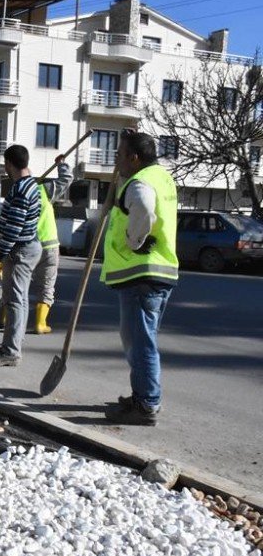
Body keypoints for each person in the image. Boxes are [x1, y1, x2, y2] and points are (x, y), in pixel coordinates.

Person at [101, 130, 179, 426]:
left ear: (134, 158)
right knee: (141, 339)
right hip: (161, 271)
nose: (116, 160)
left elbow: (143, 207)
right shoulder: (161, 176)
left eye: (120, 155)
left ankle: (145, 404)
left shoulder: (140, 183)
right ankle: (143, 396)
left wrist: (134, 240)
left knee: (140, 342)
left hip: (141, 274)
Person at [0, 145, 42, 367]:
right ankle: (12, 344)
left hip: (20, 250)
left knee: (14, 301)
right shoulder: (31, 185)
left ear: (9, 164)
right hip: (29, 247)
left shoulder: (20, 190)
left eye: (5, 165)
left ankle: (10, 351)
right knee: (21, 300)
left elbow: (14, 228)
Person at [30, 154, 74, 334]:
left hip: (27, 247)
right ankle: (40, 324)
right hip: (49, 247)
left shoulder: (16, 195)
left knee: (19, 284)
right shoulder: (43, 189)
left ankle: (6, 318)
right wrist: (61, 165)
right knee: (47, 285)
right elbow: (66, 179)